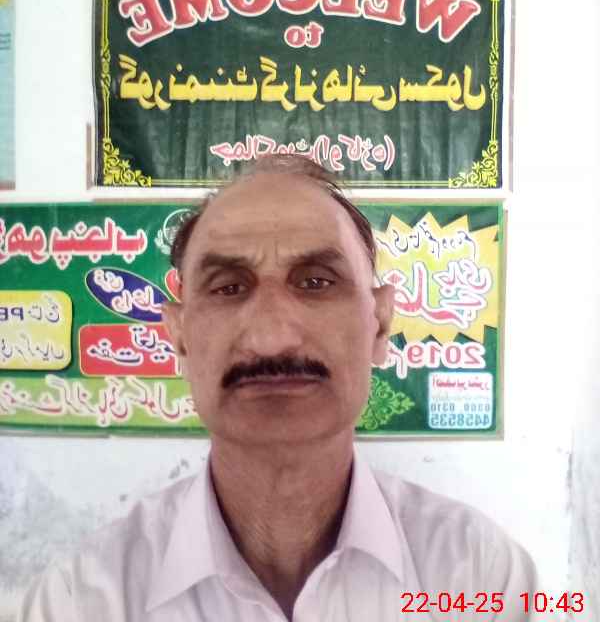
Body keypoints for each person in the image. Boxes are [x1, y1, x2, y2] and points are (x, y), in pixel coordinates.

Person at [18, 155, 538, 621]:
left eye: (316, 282)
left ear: (379, 326)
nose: (272, 337)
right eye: (228, 288)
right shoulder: (80, 602)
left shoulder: (481, 578)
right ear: (179, 337)